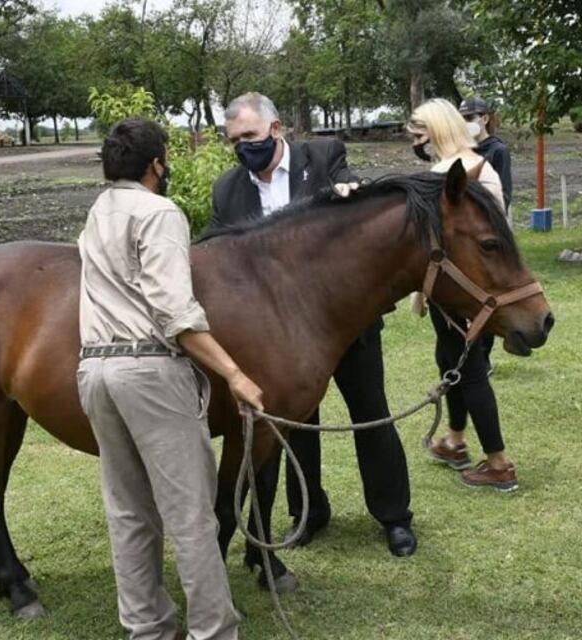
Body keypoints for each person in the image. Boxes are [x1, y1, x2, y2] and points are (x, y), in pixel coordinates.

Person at [77, 118, 265, 640]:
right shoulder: (159, 212)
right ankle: (213, 631)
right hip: (149, 372)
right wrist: (234, 374)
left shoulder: (97, 212)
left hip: (94, 369)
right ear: (156, 164)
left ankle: (149, 630)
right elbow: (175, 313)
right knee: (191, 517)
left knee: (129, 513)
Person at [209, 93, 417, 557]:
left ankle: (394, 516)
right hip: (279, 337)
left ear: (277, 129)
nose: (244, 147)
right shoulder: (228, 189)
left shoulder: (322, 157)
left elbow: (349, 186)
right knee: (294, 425)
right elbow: (219, 254)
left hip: (348, 323)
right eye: (235, 141)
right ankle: (309, 511)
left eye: (251, 136)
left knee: (372, 416)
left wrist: (350, 188)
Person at [409, 98, 519, 492]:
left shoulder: (467, 171)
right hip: (449, 290)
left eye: (419, 132)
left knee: (469, 371)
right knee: (449, 360)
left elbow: (492, 236)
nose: (415, 140)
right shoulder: (448, 169)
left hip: (469, 290)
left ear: (437, 130)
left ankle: (499, 463)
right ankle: (455, 440)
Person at [459, 96, 513, 376]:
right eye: (462, 118)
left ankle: (484, 357)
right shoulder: (463, 150)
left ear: (485, 118)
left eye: (471, 118)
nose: (467, 123)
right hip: (464, 234)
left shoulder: (497, 150)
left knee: (489, 294)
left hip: (489, 232)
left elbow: (504, 194)